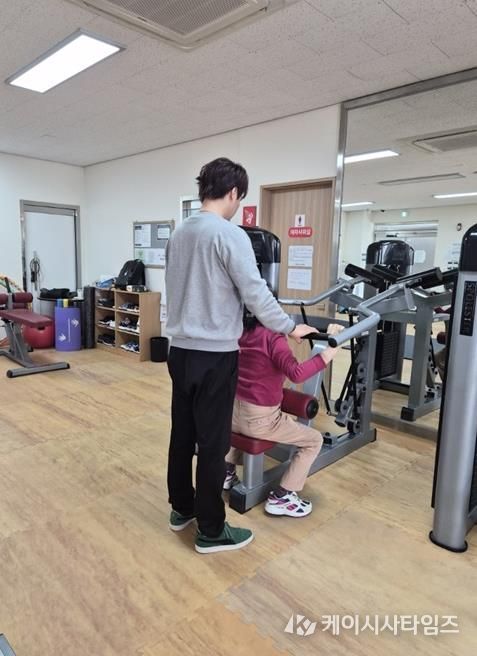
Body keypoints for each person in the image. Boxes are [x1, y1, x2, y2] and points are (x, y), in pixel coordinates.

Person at [165, 157, 315, 554]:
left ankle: (182, 508)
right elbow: (256, 293)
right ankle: (211, 530)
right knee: (213, 444)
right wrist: (289, 327)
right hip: (214, 355)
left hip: (179, 351)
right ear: (233, 193)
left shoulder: (179, 233)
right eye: (239, 198)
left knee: (183, 434)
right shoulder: (229, 235)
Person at [224, 312, 343, 516]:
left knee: (245, 425)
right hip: (261, 420)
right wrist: (329, 353)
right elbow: (296, 374)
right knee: (314, 440)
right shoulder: (272, 336)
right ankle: (283, 497)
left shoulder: (239, 328)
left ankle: (226, 473)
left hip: (232, 413)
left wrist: (289, 331)